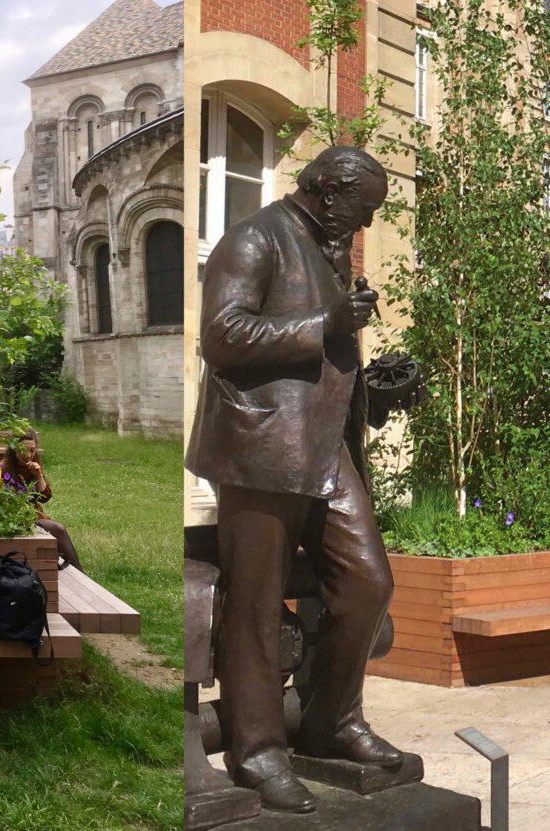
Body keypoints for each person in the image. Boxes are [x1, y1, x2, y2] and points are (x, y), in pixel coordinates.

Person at [185, 145, 397, 814]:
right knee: (254, 603)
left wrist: (382, 386)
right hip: (262, 448)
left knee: (369, 582)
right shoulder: (254, 239)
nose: (361, 228)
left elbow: (329, 358)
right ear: (330, 192)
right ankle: (257, 753)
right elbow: (221, 335)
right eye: (361, 212)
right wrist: (325, 323)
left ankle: (331, 721)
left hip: (325, 449)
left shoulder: (329, 246)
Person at [1, 428, 83, 570]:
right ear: (14, 448)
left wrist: (38, 476)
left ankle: (79, 574)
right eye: (23, 450)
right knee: (58, 529)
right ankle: (80, 574)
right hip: (15, 519)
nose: (28, 455)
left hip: (33, 515)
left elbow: (45, 497)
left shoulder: (33, 464)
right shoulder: (3, 469)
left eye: (32, 450)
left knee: (57, 529)